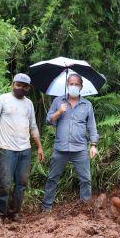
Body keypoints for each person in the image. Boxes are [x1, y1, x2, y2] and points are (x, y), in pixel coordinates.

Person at [0, 73, 44, 222]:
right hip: (6, 148)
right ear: (13, 84)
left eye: (24, 86)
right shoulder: (3, 99)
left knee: (22, 183)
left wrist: (40, 147)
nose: (21, 88)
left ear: (28, 88)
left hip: (25, 149)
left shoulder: (29, 103)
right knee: (4, 182)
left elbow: (33, 126)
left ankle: (14, 212)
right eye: (18, 85)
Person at [42, 73, 99, 210]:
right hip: (60, 148)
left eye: (76, 84)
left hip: (80, 149)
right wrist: (59, 112)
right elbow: (48, 120)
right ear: (67, 85)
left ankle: (85, 208)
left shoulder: (87, 104)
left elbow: (92, 126)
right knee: (52, 178)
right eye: (71, 84)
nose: (73, 86)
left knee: (85, 180)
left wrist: (93, 145)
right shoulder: (58, 101)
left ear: (81, 86)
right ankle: (46, 207)